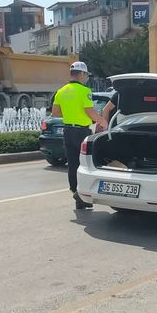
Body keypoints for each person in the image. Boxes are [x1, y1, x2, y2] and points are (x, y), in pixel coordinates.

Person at [52, 61, 108, 210]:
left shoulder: (61, 91)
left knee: (72, 164)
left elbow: (55, 112)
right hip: (82, 132)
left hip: (68, 131)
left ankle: (77, 195)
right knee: (86, 163)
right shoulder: (84, 91)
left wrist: (71, 113)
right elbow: (90, 112)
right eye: (86, 75)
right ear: (81, 74)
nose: (86, 78)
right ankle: (83, 196)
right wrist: (102, 121)